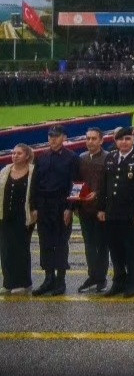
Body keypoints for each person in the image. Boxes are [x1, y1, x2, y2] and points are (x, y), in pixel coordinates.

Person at [98, 126, 134, 297]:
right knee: (115, 249)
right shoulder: (111, 157)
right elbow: (104, 186)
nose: (124, 142)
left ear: (133, 140)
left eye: (128, 138)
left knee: (131, 249)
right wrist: (101, 208)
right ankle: (118, 282)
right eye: (121, 139)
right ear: (115, 141)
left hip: (131, 213)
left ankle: (131, 284)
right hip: (112, 212)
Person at [29, 124, 79, 296]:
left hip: (61, 205)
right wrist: (34, 207)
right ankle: (48, 278)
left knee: (60, 243)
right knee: (45, 243)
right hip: (44, 205)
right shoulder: (42, 157)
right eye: (50, 136)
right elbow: (35, 184)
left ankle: (60, 280)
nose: (53, 139)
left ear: (64, 138)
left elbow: (75, 184)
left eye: (56, 136)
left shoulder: (71, 158)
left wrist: (70, 208)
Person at [75, 127, 108, 293]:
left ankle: (101, 278)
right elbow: (76, 182)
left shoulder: (108, 158)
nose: (90, 142)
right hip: (84, 209)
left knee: (101, 245)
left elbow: (110, 184)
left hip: (101, 210)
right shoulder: (81, 158)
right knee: (89, 245)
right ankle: (92, 276)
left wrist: (98, 194)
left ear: (101, 140)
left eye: (94, 138)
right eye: (88, 138)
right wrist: (75, 204)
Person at [0, 144, 35, 295]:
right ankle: (8, 283)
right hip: (5, 215)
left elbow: (36, 192)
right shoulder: (5, 170)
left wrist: (35, 211)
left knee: (21, 249)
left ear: (27, 156)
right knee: (5, 250)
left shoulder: (33, 171)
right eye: (13, 153)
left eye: (19, 153)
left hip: (23, 216)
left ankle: (23, 283)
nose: (15, 156)